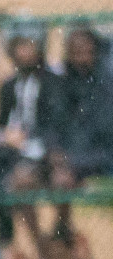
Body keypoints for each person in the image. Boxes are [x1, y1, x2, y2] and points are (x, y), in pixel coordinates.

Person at [0, 21, 60, 249]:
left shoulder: (52, 82)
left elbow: (56, 127)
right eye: (19, 46)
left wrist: (27, 142)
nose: (24, 52)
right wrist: (5, 137)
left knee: (9, 184)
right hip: (9, 154)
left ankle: (16, 246)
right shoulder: (7, 86)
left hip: (39, 156)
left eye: (29, 45)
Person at [47, 25, 113, 232]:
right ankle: (63, 234)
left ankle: (62, 232)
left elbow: (104, 132)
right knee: (56, 177)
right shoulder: (63, 81)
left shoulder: (105, 81)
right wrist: (57, 152)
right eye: (75, 50)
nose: (81, 55)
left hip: (102, 155)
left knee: (64, 176)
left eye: (86, 49)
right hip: (74, 156)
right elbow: (55, 123)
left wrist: (74, 160)